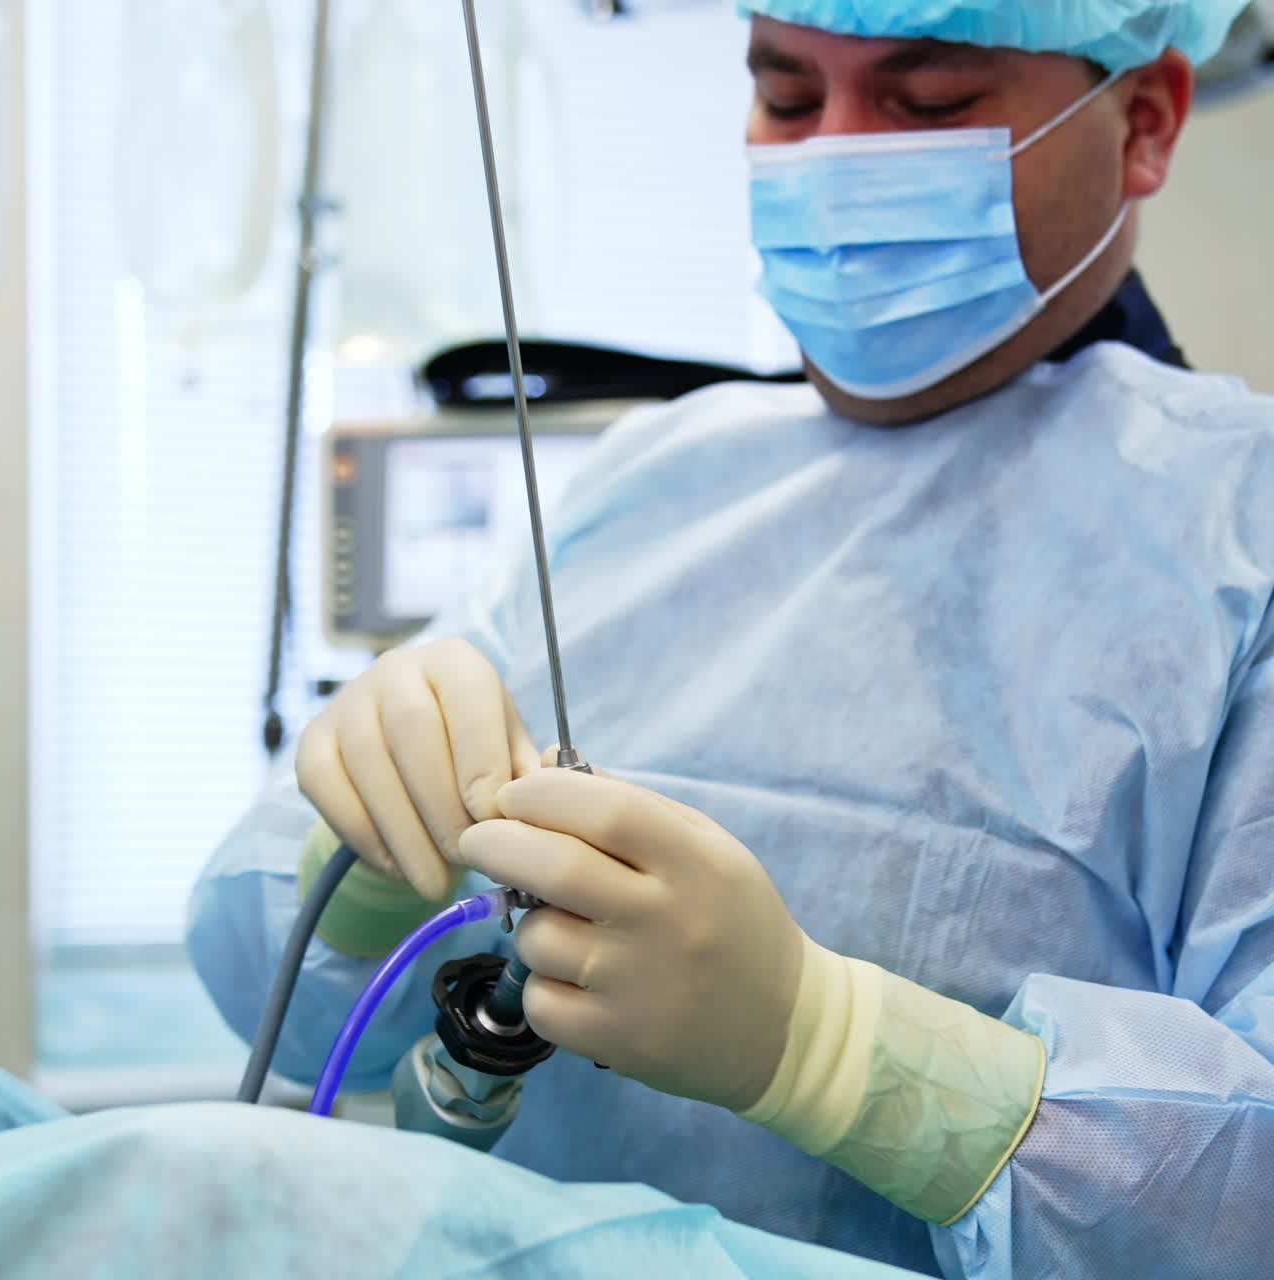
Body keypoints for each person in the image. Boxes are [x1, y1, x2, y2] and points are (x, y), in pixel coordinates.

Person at [188, 2, 1274, 1277]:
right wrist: (364, 874)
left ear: (1141, 121)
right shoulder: (645, 476)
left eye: (925, 106)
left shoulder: (1232, 540)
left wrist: (832, 1050)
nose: (835, 160)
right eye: (787, 98)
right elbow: (292, 1010)